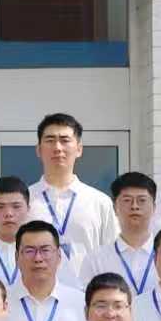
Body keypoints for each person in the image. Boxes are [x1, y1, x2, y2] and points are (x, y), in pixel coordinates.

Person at [27, 113, 117, 281]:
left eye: (65, 140)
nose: (57, 147)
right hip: (36, 293)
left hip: (88, 293)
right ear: (38, 150)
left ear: (79, 149)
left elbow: (112, 256)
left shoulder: (99, 202)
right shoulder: (25, 201)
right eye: (50, 140)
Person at [2, 220, 88, 321]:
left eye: (45, 250)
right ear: (16, 257)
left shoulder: (81, 303)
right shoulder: (0, 303)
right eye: (29, 251)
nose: (38, 258)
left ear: (59, 256)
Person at [83, 171, 161, 302]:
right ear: (115, 207)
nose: (134, 206)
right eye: (127, 200)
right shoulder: (96, 259)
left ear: (154, 207)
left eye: (141, 200)